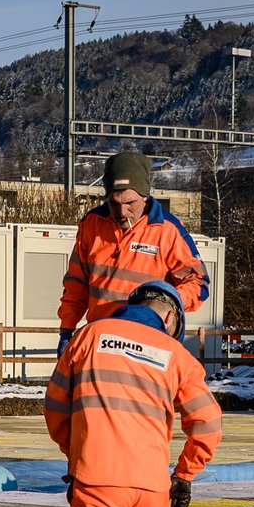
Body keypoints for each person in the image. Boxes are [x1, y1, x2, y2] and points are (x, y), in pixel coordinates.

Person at [45, 280, 221, 507]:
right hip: (152, 488)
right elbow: (208, 421)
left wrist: (78, 456)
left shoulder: (90, 335)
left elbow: (56, 408)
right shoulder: (176, 355)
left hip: (98, 481)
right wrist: (184, 474)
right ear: (169, 318)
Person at [56, 152, 208, 359]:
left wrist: (165, 301)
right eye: (114, 203)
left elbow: (198, 283)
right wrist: (66, 330)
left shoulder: (168, 230)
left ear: (145, 196)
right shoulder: (91, 225)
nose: (122, 212)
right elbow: (76, 284)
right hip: (102, 339)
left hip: (149, 343)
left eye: (130, 203)